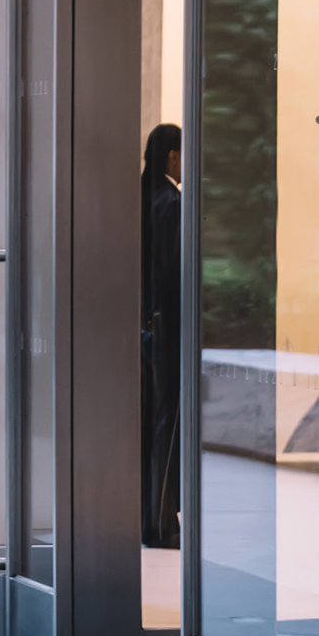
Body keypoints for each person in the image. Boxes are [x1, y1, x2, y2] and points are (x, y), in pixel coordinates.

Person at [141, 123, 182, 549]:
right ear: (172, 156)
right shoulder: (170, 202)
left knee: (150, 423)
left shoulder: (139, 196)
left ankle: (147, 519)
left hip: (143, 330)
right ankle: (161, 523)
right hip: (167, 331)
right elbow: (174, 276)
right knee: (168, 427)